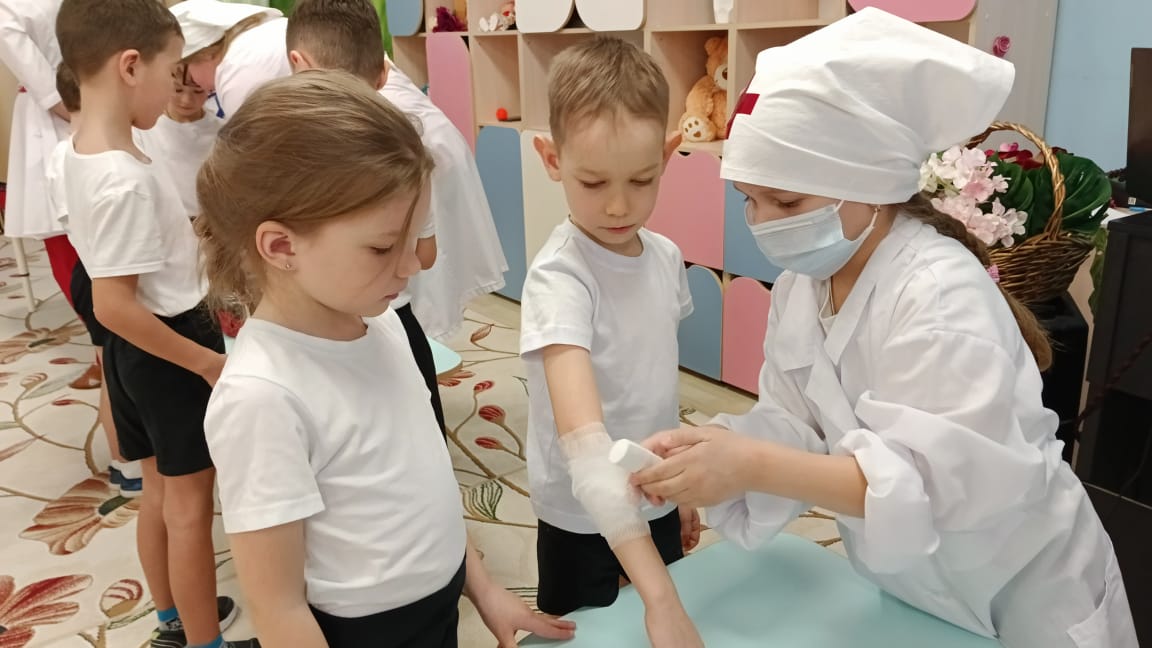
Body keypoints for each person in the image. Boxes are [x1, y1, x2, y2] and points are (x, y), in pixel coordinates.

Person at [632, 9, 1138, 648]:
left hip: (1026, 589)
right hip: (918, 587)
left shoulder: (939, 293)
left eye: (786, 202)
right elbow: (795, 420)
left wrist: (752, 465)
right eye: (750, 201)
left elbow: (934, 486)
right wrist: (713, 452)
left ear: (868, 185)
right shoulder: (803, 287)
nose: (763, 223)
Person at [197, 70, 576, 648]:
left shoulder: (385, 322)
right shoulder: (261, 398)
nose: (412, 264)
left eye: (414, 236)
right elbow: (278, 608)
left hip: (436, 606)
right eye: (381, 246)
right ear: (281, 246)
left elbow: (426, 480)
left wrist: (483, 586)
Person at [55, 0, 252, 646]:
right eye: (171, 75)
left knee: (159, 494)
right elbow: (114, 304)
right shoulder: (124, 180)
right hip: (170, 347)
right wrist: (206, 362)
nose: (175, 91)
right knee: (191, 507)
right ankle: (204, 639)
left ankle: (173, 617)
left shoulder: (79, 151)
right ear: (130, 66)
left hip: (131, 355)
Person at [520, 35, 702, 647]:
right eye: (594, 182)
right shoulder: (560, 278)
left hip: (653, 489)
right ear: (552, 159)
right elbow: (585, 446)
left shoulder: (666, 257)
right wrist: (660, 596)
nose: (620, 205)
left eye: (642, 179)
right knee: (589, 633)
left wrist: (678, 488)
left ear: (668, 156)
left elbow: (657, 380)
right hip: (580, 512)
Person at [284, 0, 444, 433]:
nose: (404, 265)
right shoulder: (402, 147)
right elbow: (425, 253)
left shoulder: (289, 155)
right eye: (379, 248)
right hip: (379, 323)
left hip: (350, 327)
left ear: (298, 63)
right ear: (382, 74)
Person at [45, 63, 143, 497]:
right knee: (117, 373)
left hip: (87, 268)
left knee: (109, 369)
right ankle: (129, 462)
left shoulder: (62, 154)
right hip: (103, 269)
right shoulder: (97, 160)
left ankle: (124, 462)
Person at [0, 0, 103, 390]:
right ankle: (105, 352)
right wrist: (101, 117)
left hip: (86, 108)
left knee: (83, 244)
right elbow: (44, 84)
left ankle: (112, 349)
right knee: (71, 243)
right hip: (74, 113)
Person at [136, 62, 224, 220]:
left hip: (208, 222)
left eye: (198, 91)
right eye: (177, 90)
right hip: (162, 220)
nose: (186, 100)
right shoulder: (145, 128)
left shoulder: (221, 131)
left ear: (210, 88)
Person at [170, 0, 286, 119]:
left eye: (192, 80)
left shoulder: (236, 72)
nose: (206, 90)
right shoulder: (263, 31)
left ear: (204, 54)